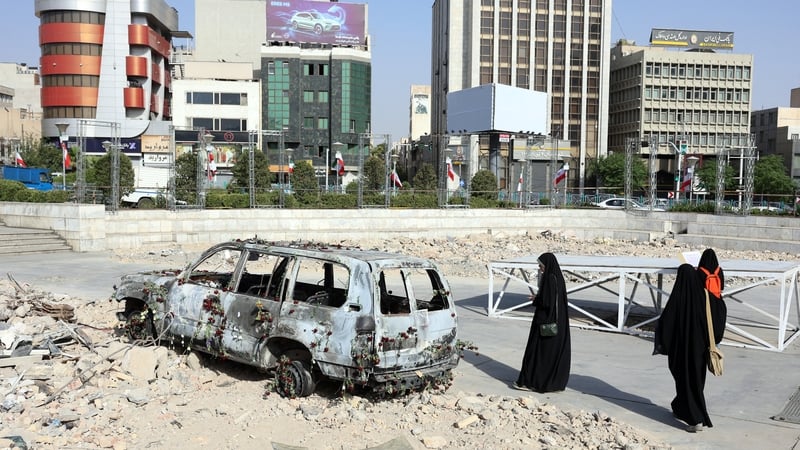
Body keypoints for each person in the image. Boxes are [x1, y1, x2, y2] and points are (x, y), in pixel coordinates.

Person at [654, 263, 713, 432]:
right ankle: (680, 408)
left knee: (684, 382)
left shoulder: (677, 299)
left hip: (681, 351)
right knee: (696, 383)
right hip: (699, 352)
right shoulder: (703, 298)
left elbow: (666, 323)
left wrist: (663, 343)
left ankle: (695, 420)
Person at [514, 252, 571, 393]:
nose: (540, 268)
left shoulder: (550, 279)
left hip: (545, 323)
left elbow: (547, 302)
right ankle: (552, 384)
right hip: (558, 325)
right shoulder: (557, 278)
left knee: (537, 353)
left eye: (541, 265)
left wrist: (536, 300)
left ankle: (530, 382)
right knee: (550, 356)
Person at [697, 248, 727, 344]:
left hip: (705, 301)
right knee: (717, 324)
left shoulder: (701, 271)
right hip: (718, 300)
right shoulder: (719, 270)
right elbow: (721, 286)